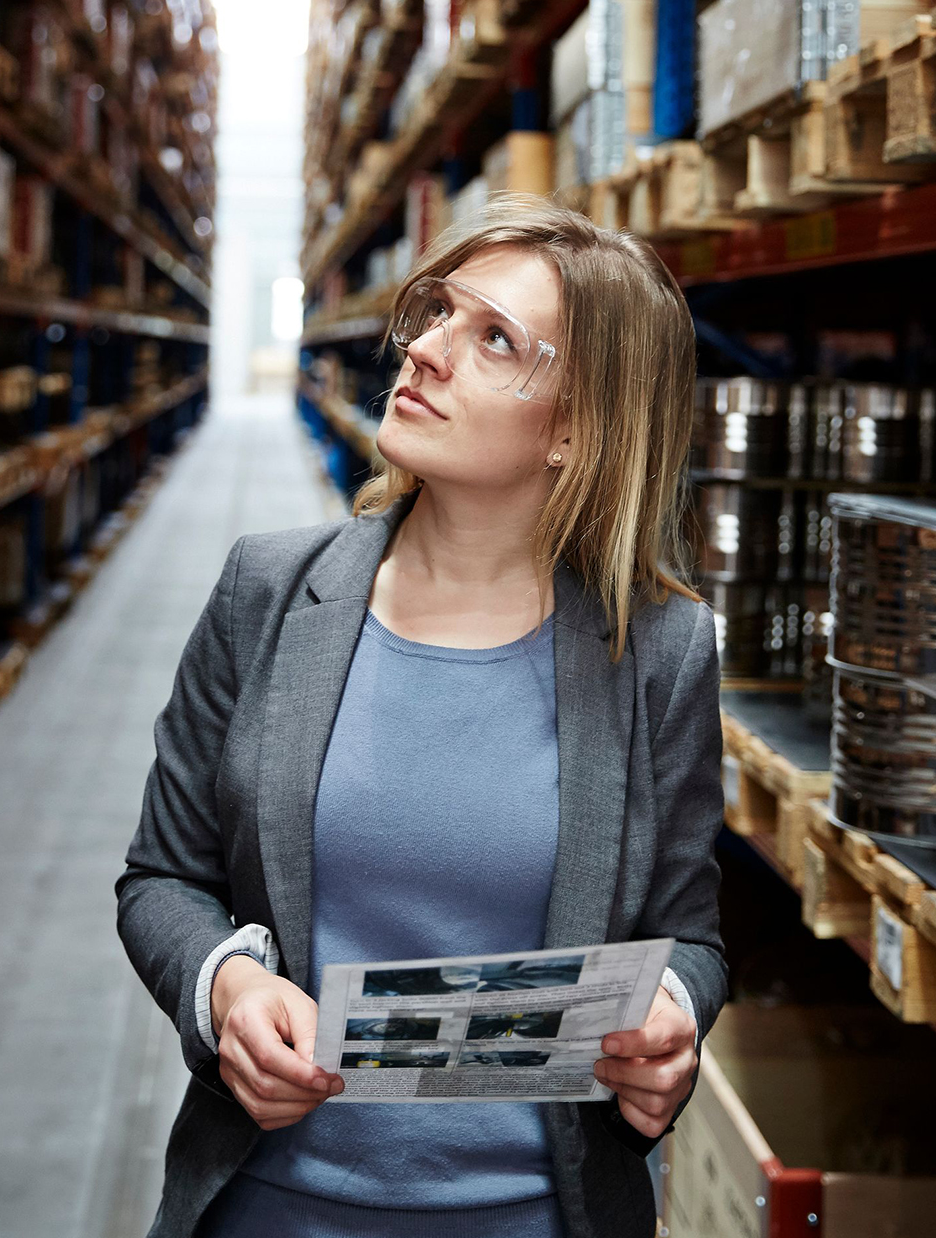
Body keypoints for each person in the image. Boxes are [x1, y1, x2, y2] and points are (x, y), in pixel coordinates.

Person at [115, 193, 727, 1238]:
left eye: (494, 337)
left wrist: (670, 1011)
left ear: (578, 428)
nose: (429, 351)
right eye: (439, 312)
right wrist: (223, 987)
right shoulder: (267, 592)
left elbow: (690, 934)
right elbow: (162, 877)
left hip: (535, 1215)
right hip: (272, 1208)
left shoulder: (658, 652)